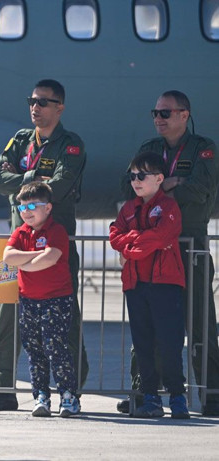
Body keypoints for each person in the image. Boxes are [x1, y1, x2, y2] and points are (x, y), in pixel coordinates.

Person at [0, 79, 89, 411]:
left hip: (53, 246)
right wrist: (31, 178)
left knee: (64, 319)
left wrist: (23, 178)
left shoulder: (71, 145)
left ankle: (72, 387)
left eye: (44, 102)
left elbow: (57, 188)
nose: (35, 107)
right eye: (32, 100)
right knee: (5, 315)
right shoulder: (19, 140)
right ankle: (0, 388)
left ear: (60, 107)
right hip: (14, 242)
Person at [117, 90, 219, 415]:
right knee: (149, 323)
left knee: (200, 321)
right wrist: (171, 183)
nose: (158, 119)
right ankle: (143, 391)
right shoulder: (149, 149)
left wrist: (161, 188)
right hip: (153, 247)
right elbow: (128, 182)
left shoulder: (203, 149)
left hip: (190, 246)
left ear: (184, 115)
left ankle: (212, 392)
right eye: (155, 113)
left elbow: (201, 188)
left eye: (165, 113)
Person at [110, 152, 189, 419]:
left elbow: (161, 236)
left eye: (141, 176)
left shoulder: (168, 207)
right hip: (136, 285)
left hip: (165, 284)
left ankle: (178, 397)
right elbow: (115, 234)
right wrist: (136, 241)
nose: (136, 181)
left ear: (158, 179)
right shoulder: (129, 209)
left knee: (169, 343)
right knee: (142, 344)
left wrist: (130, 247)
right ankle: (151, 398)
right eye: (132, 176)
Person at [3, 182, 80, 417]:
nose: (26, 211)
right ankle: (41, 396)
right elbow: (8, 257)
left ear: (47, 208)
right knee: (34, 350)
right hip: (28, 301)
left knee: (55, 348)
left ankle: (68, 397)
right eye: (22, 206)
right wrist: (37, 254)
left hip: (55, 300)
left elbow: (50, 259)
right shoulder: (20, 232)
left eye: (33, 206)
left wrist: (25, 263)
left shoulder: (56, 231)